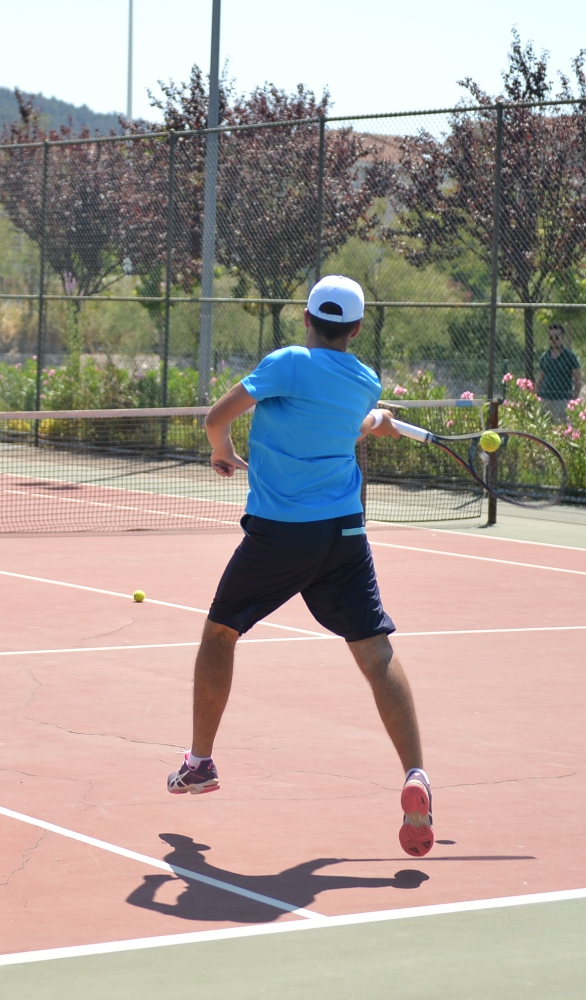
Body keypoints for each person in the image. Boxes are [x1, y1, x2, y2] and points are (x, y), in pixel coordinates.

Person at [165, 275, 434, 859]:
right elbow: (347, 424)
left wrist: (221, 451)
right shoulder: (365, 381)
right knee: (376, 653)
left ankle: (199, 763)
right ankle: (416, 774)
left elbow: (217, 416)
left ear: (307, 319)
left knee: (220, 634)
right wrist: (377, 421)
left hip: (282, 534)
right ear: (356, 329)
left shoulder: (287, 362)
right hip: (345, 533)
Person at [537, 323, 582, 423]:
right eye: (551, 337)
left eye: (557, 337)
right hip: (545, 398)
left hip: (562, 400)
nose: (553, 339)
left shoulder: (570, 357)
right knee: (544, 428)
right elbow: (540, 379)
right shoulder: (545, 356)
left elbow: (578, 381)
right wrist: (538, 396)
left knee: (562, 428)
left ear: (563, 337)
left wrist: (572, 401)